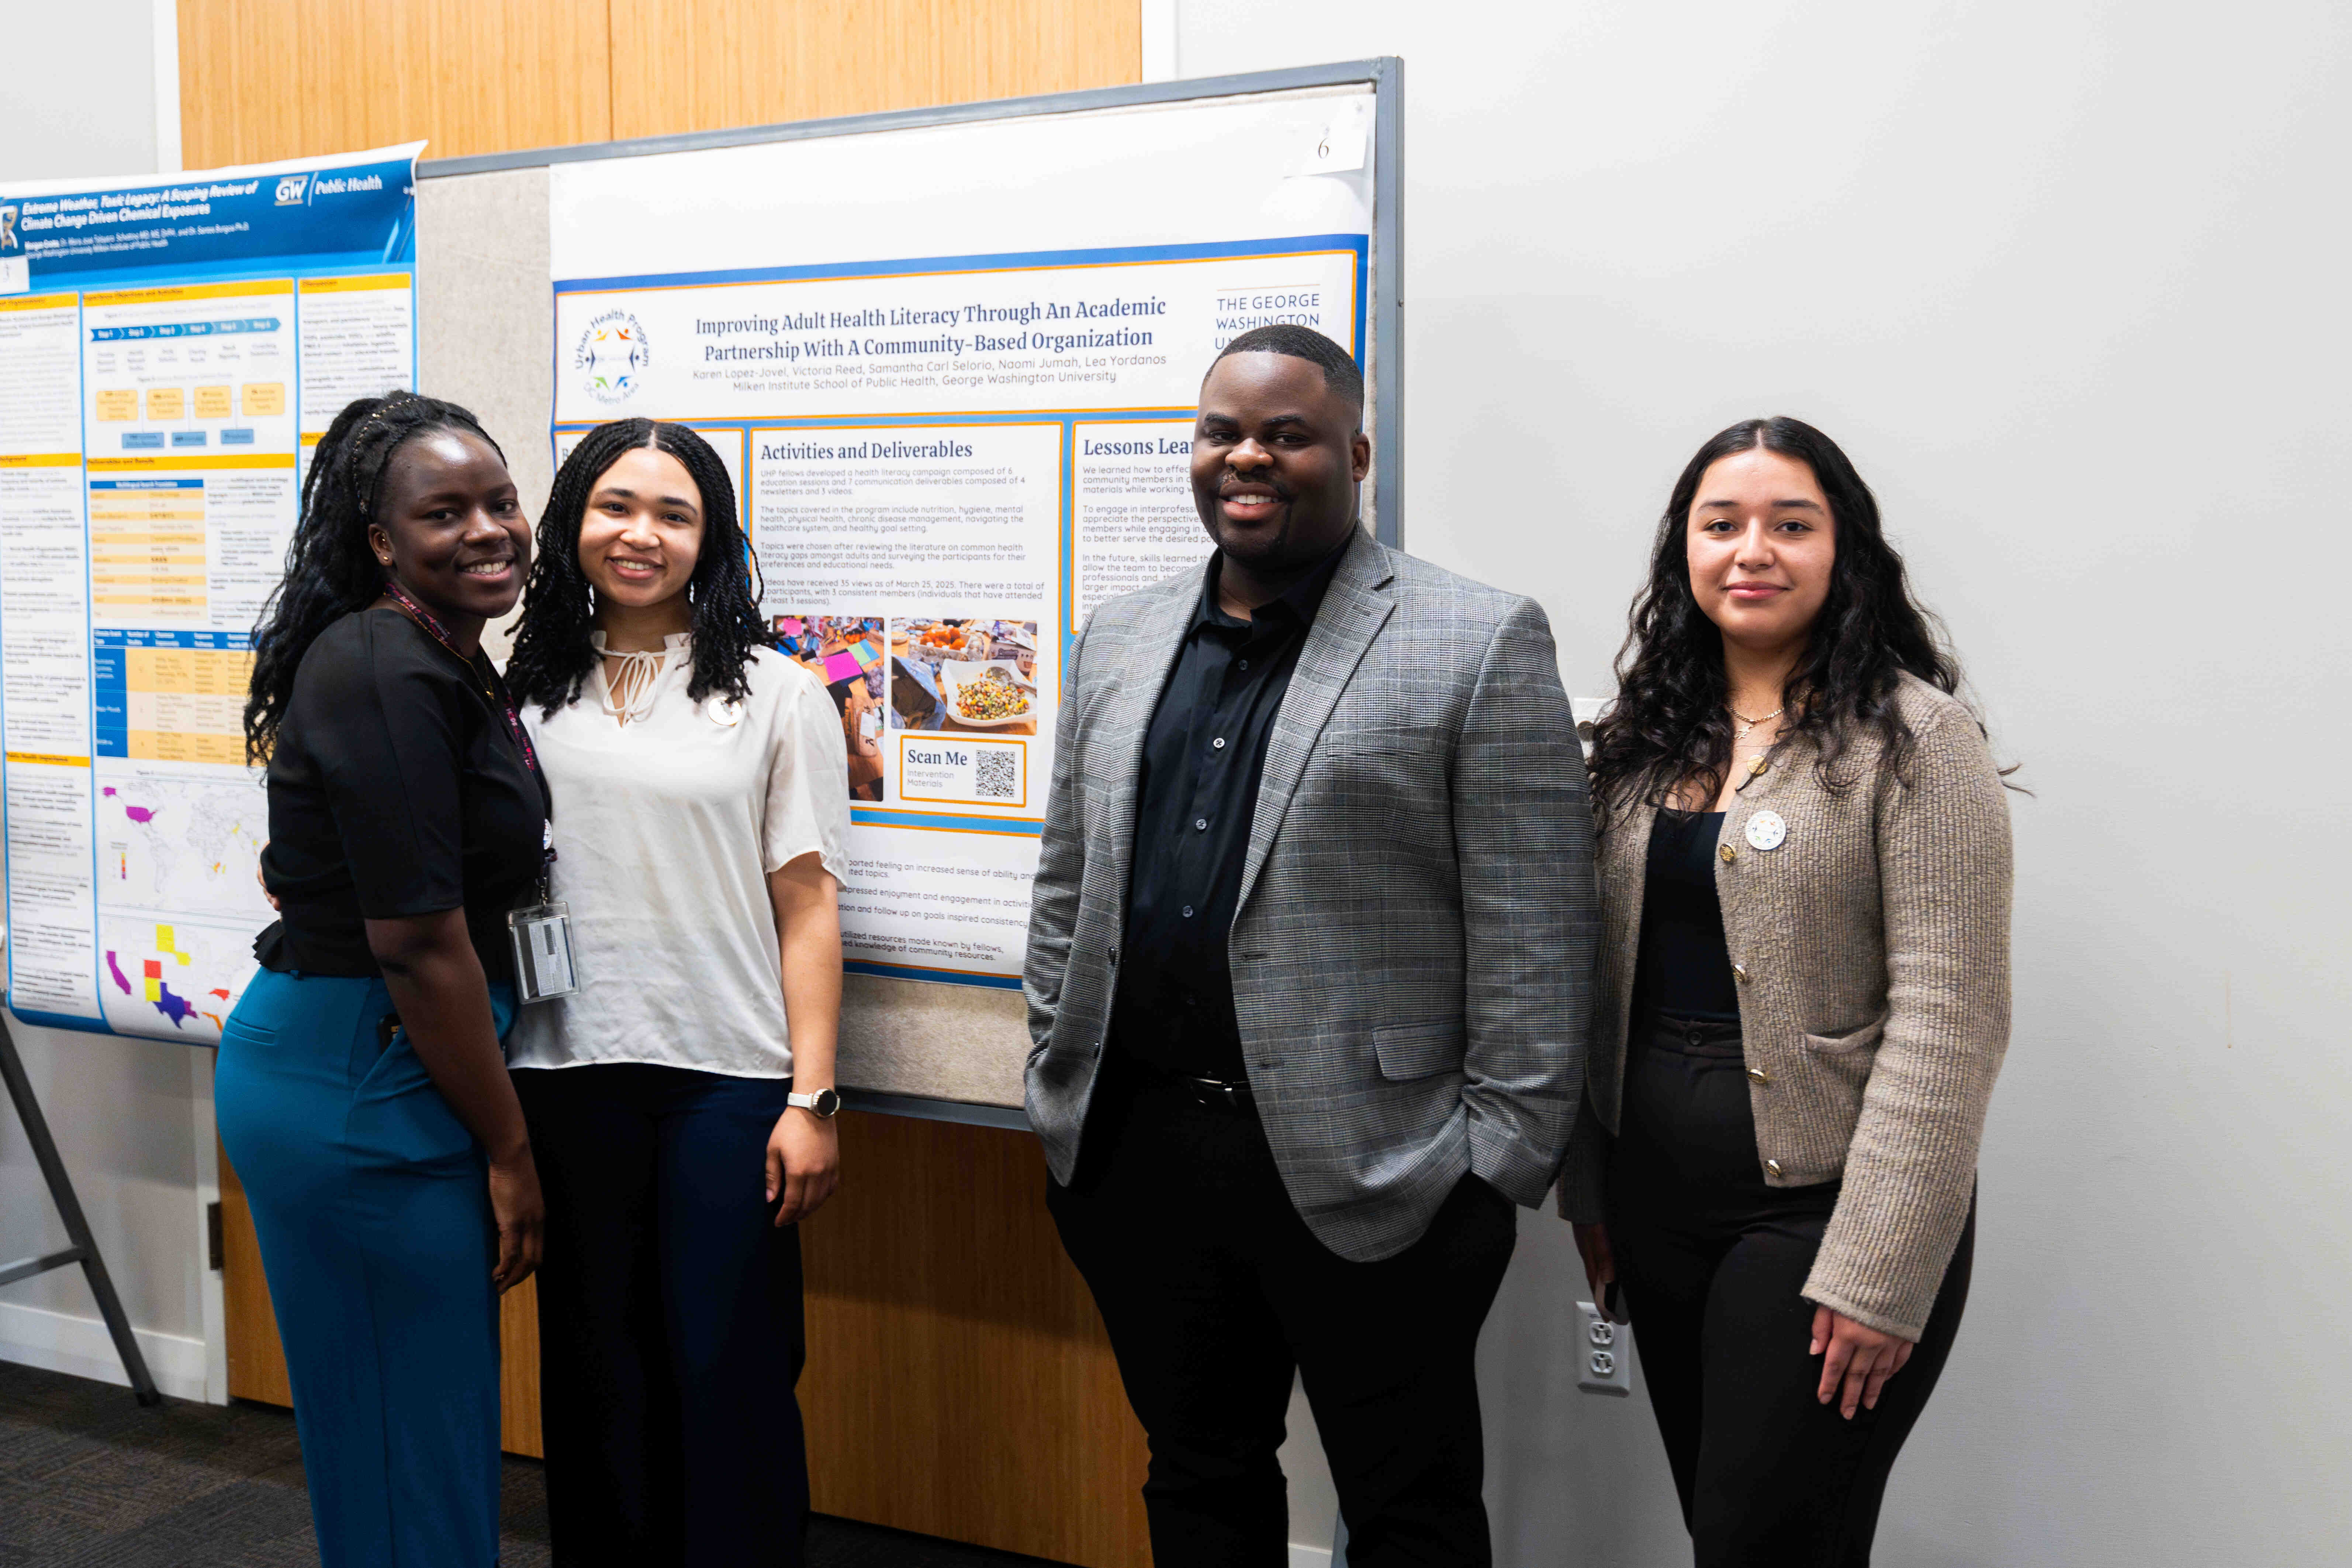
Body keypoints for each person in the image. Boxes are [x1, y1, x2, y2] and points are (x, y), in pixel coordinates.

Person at [1024, 324, 1598, 1565]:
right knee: (1197, 1474)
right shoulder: (1121, 634)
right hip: (1142, 1154)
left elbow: (1539, 936)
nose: (1249, 457)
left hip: (1382, 1169)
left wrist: (1493, 1164)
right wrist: (1052, 1066)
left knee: (1409, 1506)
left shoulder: (1475, 637)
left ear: (1356, 454)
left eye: (1288, 434)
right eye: (1222, 432)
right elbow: (1069, 877)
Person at [1559, 417, 2013, 1565]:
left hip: (1823, 1222)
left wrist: (1881, 1268)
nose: (1752, 549)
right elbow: (1591, 980)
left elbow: (1951, 1021)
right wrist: (1590, 1190)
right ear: (1685, 550)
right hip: (1655, 1212)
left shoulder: (1916, 741)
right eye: (1722, 524)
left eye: (1790, 524)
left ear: (1842, 547)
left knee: (1763, 1545)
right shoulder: (1638, 741)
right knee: (1724, 1536)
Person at [502, 419, 851, 1566]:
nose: (640, 533)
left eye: (673, 513)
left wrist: (813, 1097)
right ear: (573, 522)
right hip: (565, 1067)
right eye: (616, 506)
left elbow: (808, 904)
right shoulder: (523, 689)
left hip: (729, 1080)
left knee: (729, 1366)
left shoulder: (776, 692)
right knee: (596, 1370)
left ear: (712, 538)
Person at [218, 391, 544, 1568]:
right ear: (381, 540)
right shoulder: (381, 665)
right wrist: (510, 1151)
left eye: (501, 501)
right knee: (406, 1448)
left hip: (396, 1053)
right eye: (444, 512)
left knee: (426, 1432)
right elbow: (418, 941)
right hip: (363, 1067)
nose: (488, 530)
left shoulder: (442, 652)